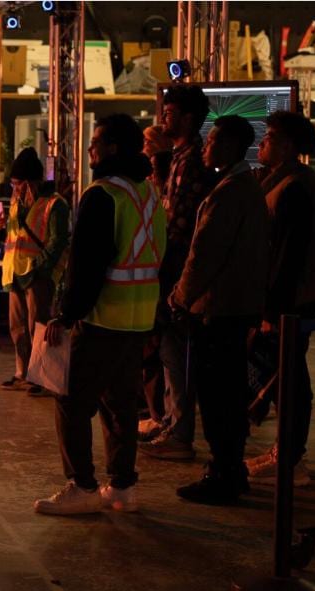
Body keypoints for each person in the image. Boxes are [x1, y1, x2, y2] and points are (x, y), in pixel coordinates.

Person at [33, 114, 166, 515]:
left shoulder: (102, 195)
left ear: (112, 149)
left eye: (96, 142)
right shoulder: (148, 193)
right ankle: (122, 486)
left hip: (102, 317)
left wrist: (66, 313)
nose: (90, 149)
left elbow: (86, 265)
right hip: (139, 318)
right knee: (120, 403)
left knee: (70, 399)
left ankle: (83, 486)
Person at [169, 115, 269, 505]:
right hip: (235, 307)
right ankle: (230, 469)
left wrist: (180, 297)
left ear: (228, 146)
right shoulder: (243, 187)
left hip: (219, 309)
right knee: (227, 393)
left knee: (216, 397)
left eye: (211, 141)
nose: (205, 147)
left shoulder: (229, 192)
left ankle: (222, 474)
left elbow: (204, 254)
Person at [244, 111, 315, 485]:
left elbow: (288, 256)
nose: (262, 143)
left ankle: (290, 459)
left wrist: (272, 310)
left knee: (289, 378)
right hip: (292, 295)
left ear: (287, 146)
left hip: (296, 298)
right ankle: (285, 452)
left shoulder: (295, 188)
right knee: (286, 374)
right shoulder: (283, 180)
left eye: (270, 137)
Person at [140, 85, 218, 462]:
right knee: (171, 354)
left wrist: (168, 278)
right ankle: (172, 422)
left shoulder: (190, 163)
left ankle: (180, 431)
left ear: (187, 118)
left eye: (169, 113)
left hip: (178, 274)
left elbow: (179, 225)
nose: (163, 119)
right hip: (173, 271)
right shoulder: (180, 159)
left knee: (177, 354)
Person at [0, 147, 71, 397]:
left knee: (38, 327)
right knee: (18, 328)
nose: (14, 189)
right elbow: (14, 237)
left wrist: (40, 267)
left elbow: (57, 242)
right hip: (15, 274)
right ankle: (23, 374)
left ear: (29, 183)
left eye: (17, 184)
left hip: (38, 276)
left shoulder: (55, 204)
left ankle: (43, 379)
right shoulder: (16, 204)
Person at [139, 125, 174, 435]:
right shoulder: (148, 184)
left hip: (162, 280)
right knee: (151, 353)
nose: (144, 147)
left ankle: (163, 417)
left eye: (149, 142)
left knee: (161, 353)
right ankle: (155, 412)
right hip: (150, 280)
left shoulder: (169, 183)